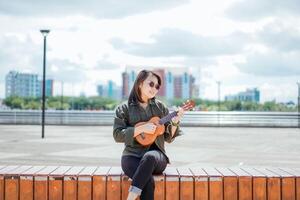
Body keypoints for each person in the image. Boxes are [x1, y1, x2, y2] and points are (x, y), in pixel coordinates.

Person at [113, 69, 184, 200]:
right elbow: (117, 135)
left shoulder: (160, 107)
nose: (154, 89)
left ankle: (130, 197)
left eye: (157, 86)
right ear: (140, 83)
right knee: (148, 182)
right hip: (131, 156)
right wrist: (141, 129)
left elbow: (168, 138)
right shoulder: (124, 108)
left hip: (156, 157)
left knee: (149, 156)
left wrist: (175, 122)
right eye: (151, 84)